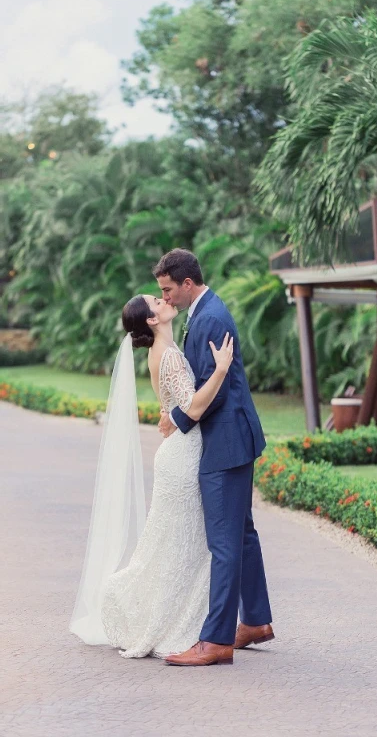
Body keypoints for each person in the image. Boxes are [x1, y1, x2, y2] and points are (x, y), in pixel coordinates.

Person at [70, 293, 234, 659]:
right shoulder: (170, 355)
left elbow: (175, 408)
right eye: (155, 302)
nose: (163, 299)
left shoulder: (164, 351)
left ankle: (181, 620)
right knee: (180, 545)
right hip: (184, 460)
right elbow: (191, 407)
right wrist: (221, 369)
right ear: (151, 320)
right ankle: (154, 615)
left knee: (175, 545)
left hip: (178, 455)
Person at [155, 248, 274, 667]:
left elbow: (214, 393)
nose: (165, 298)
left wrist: (174, 420)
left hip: (225, 442)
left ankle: (216, 641)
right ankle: (256, 621)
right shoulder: (204, 311)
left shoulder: (210, 317)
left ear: (187, 283)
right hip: (233, 436)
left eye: (168, 290)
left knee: (223, 542)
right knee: (241, 533)